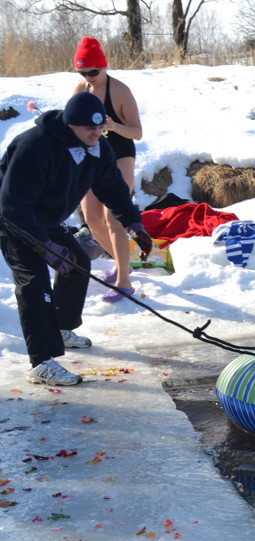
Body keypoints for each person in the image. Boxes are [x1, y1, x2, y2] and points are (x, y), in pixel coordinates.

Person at [0, 92, 151, 386]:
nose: (97, 134)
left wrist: (135, 225)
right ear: (70, 125)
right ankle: (41, 363)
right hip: (12, 220)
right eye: (90, 129)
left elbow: (113, 189)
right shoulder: (34, 147)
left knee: (78, 263)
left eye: (101, 128)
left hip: (45, 217)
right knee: (34, 284)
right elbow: (13, 207)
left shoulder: (97, 147)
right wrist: (47, 248)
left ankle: (60, 328)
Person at [71, 36, 144, 303]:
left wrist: (114, 127)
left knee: (114, 217)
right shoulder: (82, 90)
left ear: (104, 66)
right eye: (83, 73)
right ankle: (120, 261)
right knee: (92, 219)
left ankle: (124, 282)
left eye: (93, 72)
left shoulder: (120, 91)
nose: (89, 77)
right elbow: (70, 124)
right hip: (93, 155)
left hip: (120, 155)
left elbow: (137, 132)